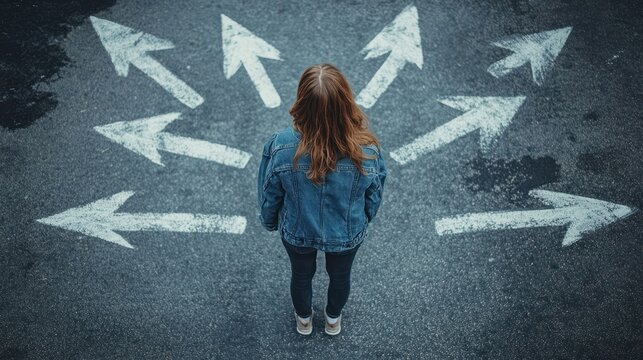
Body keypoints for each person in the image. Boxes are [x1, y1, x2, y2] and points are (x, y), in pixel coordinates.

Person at [257, 63, 387, 336]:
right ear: (346, 102)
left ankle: (304, 320)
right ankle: (332, 320)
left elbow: (269, 190)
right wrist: (366, 217)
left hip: (298, 230)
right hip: (346, 231)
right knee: (340, 277)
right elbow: (374, 192)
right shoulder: (366, 149)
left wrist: (270, 221)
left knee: (301, 275)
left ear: (301, 102)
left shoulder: (282, 146)